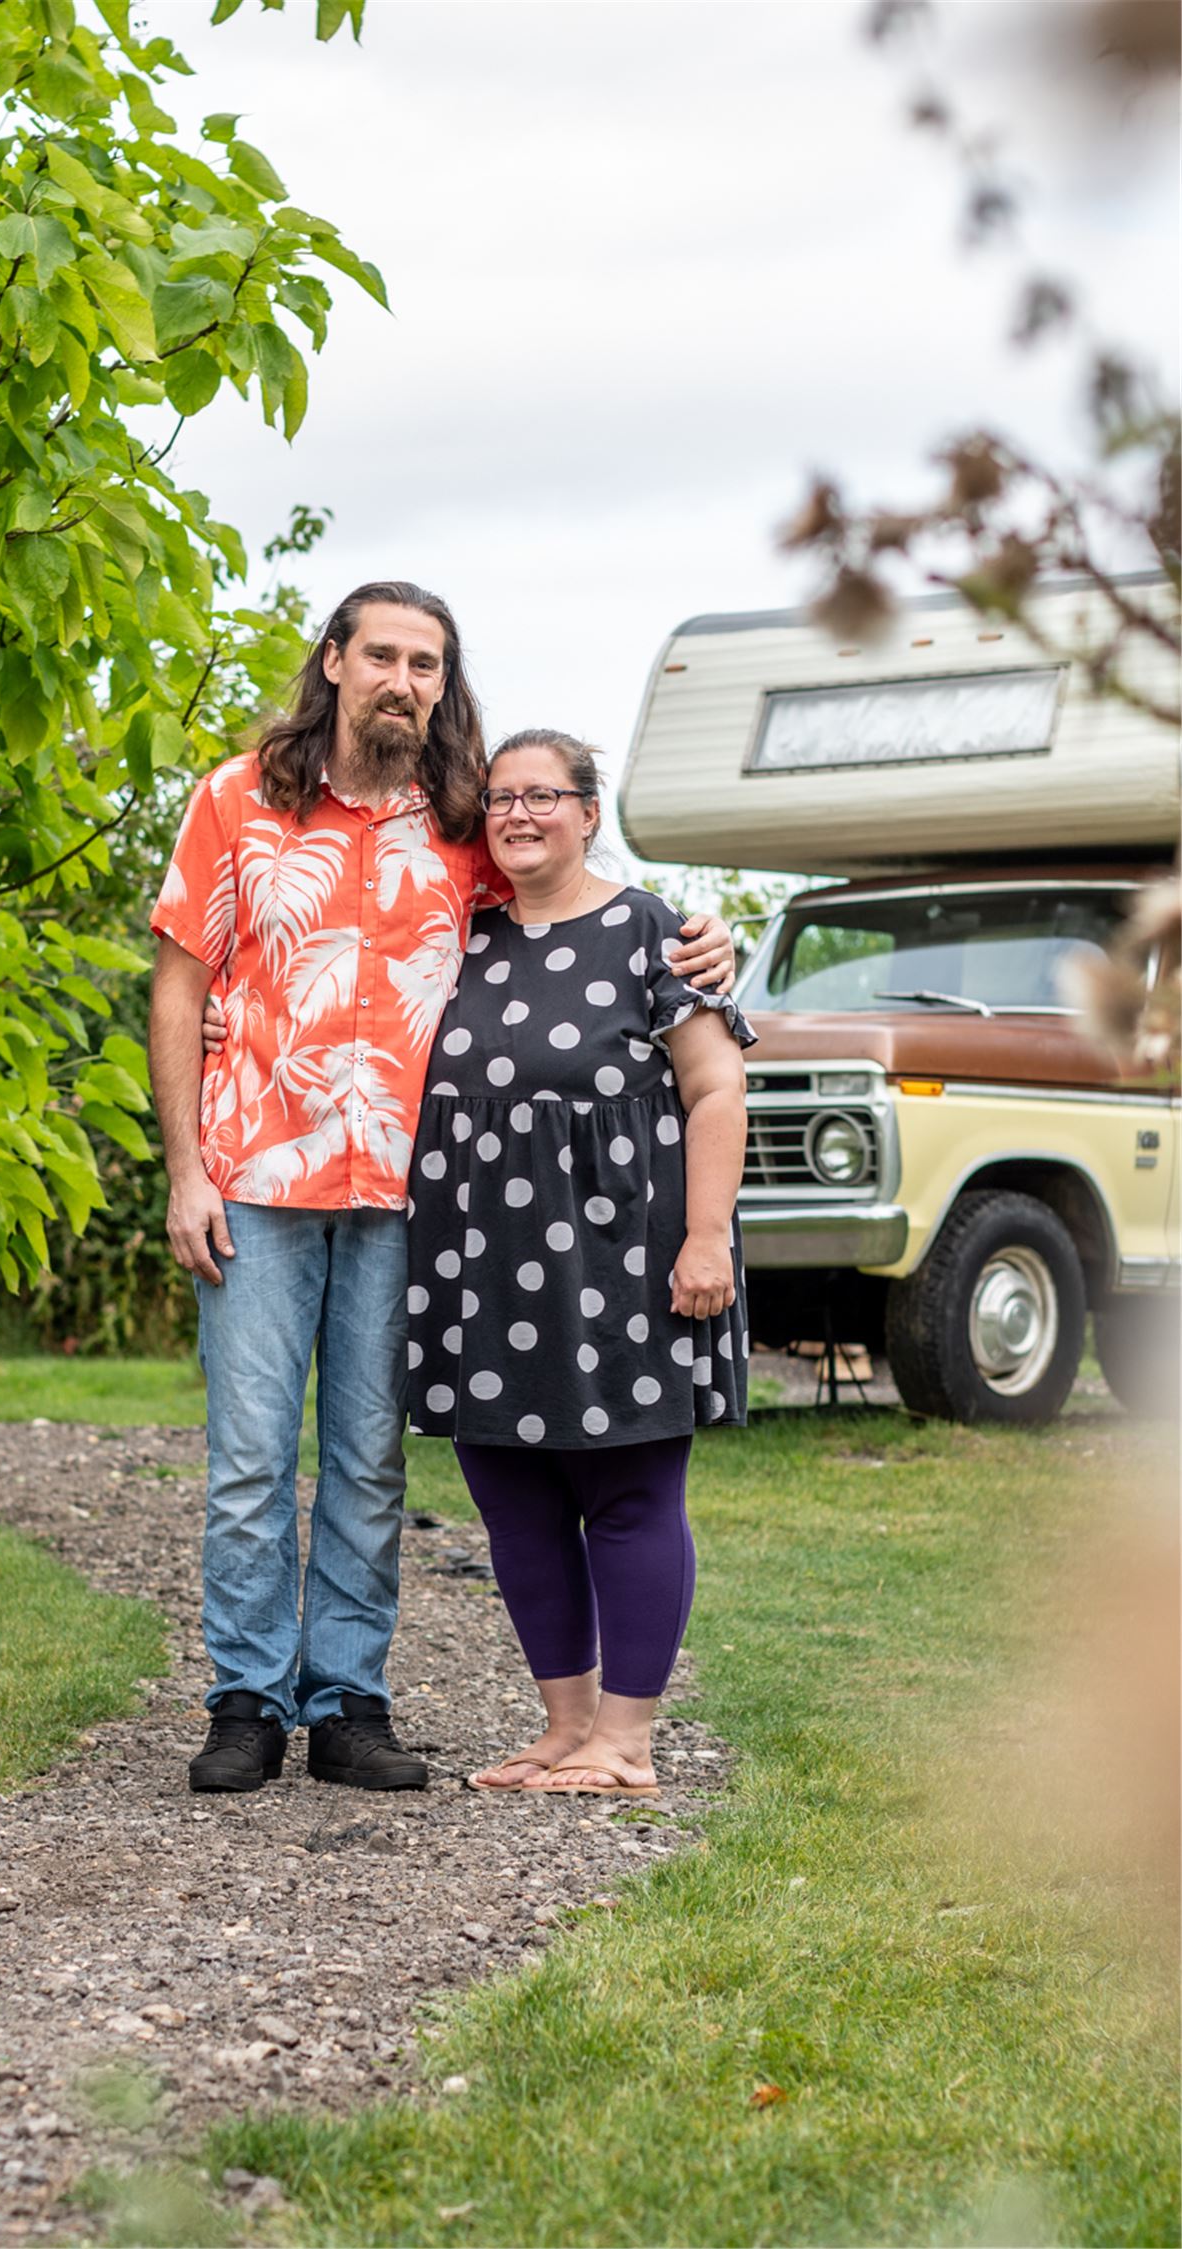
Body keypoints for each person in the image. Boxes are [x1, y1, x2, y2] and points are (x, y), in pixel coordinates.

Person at [148, 585, 736, 1795]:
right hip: (256, 1175)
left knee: (369, 1461)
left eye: (428, 662)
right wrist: (185, 1172)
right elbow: (177, 984)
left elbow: (564, 904)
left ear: (444, 683)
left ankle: (349, 1703)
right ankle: (247, 1699)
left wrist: (703, 936)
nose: (404, 680)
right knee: (251, 1460)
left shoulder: (461, 820)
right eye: (383, 655)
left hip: (408, 1199)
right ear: (335, 662)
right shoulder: (234, 800)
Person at [405, 728, 754, 1797]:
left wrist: (705, 1235)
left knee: (631, 1491)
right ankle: (564, 1729)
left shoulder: (653, 928)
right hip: (478, 1261)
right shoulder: (458, 935)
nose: (518, 813)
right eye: (500, 796)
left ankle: (629, 1743)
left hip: (624, 1254)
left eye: (543, 794)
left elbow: (715, 1089)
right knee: (512, 1495)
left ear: (588, 812)